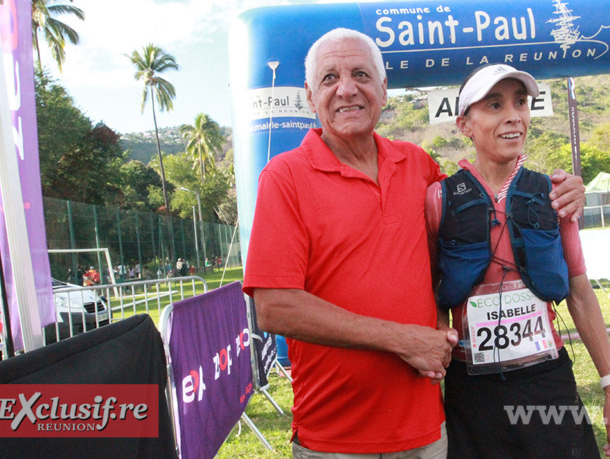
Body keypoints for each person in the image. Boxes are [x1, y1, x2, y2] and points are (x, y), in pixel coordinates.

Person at [243, 28, 586, 457]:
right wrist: (401, 339)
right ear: (311, 97)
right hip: (336, 435)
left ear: (384, 90)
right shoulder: (284, 177)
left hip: (426, 429)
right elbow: (273, 306)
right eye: (329, 78)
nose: (347, 89)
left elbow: (488, 199)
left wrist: (562, 189)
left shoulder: (417, 165)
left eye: (362, 75)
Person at [426, 64, 610, 458]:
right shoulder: (439, 200)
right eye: (494, 104)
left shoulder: (555, 194)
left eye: (520, 102)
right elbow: (432, 296)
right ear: (464, 124)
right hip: (472, 390)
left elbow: (580, 294)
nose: (513, 115)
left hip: (547, 382)